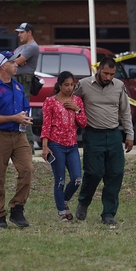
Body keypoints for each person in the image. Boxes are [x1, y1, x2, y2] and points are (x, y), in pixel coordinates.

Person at [73, 57, 133, 226]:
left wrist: (129, 135)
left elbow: (126, 112)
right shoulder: (84, 85)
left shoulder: (119, 86)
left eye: (112, 74)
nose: (108, 77)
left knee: (115, 174)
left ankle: (108, 213)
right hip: (93, 134)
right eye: (106, 73)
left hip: (113, 134)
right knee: (93, 172)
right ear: (99, 69)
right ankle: (83, 203)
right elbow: (71, 103)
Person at [0, 50, 34, 228]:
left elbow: (25, 107)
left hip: (19, 136)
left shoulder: (18, 87)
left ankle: (17, 209)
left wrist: (25, 118)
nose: (16, 64)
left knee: (27, 170)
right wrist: (14, 118)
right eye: (12, 62)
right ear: (3, 66)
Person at [40, 71, 87, 222]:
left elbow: (83, 123)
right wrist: (45, 146)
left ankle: (64, 201)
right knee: (59, 180)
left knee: (77, 179)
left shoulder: (77, 101)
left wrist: (76, 109)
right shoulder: (50, 102)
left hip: (72, 145)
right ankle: (61, 212)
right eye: (66, 85)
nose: (69, 88)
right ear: (59, 85)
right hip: (56, 145)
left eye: (72, 84)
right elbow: (46, 125)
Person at [13, 22, 40, 149]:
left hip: (24, 82)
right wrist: (16, 60)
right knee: (15, 111)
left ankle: (29, 145)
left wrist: (17, 61)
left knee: (23, 112)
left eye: (21, 32)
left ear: (29, 32)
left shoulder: (32, 47)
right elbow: (11, 60)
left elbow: (15, 61)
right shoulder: (21, 48)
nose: (19, 35)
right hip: (15, 81)